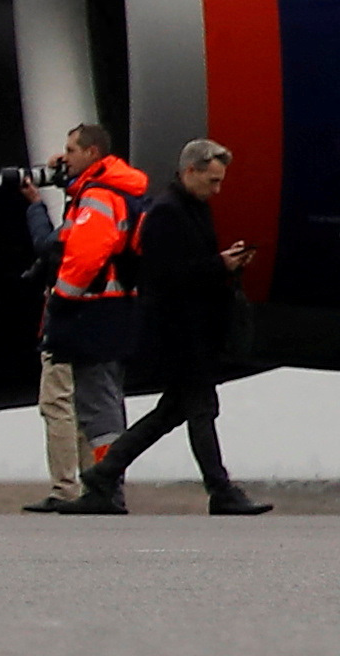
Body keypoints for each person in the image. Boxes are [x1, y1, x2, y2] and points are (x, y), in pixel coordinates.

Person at [78, 138, 272, 515]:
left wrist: (224, 263)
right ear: (190, 172)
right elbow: (165, 276)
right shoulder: (167, 213)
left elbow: (192, 266)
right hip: (179, 332)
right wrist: (220, 265)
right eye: (212, 181)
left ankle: (104, 474)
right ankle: (220, 490)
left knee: (172, 413)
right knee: (200, 411)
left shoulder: (193, 208)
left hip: (193, 331)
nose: (217, 189)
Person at [27, 124, 150, 514]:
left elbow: (83, 255)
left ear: (93, 152)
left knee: (98, 407)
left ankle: (104, 487)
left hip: (93, 313)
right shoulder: (116, 191)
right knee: (103, 402)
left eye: (71, 150)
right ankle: (103, 483)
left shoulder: (98, 197)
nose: (65, 157)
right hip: (114, 311)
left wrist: (62, 298)